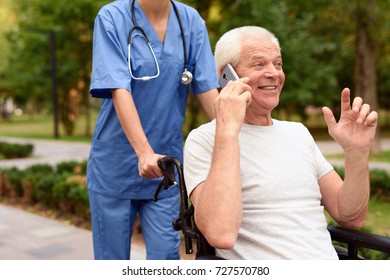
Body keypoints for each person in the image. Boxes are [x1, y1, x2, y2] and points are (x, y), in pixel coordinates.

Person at [183, 26, 378, 259]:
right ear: (228, 75)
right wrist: (228, 130)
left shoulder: (298, 133)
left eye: (278, 63)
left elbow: (350, 216)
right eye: (259, 64)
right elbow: (220, 234)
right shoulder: (204, 140)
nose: (274, 73)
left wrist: (357, 152)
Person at [87, 0, 219, 260]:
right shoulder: (112, 16)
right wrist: (144, 153)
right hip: (115, 166)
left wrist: (241, 138)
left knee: (166, 258)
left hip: (165, 169)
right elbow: (119, 88)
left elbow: (206, 88)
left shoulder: (191, 21)